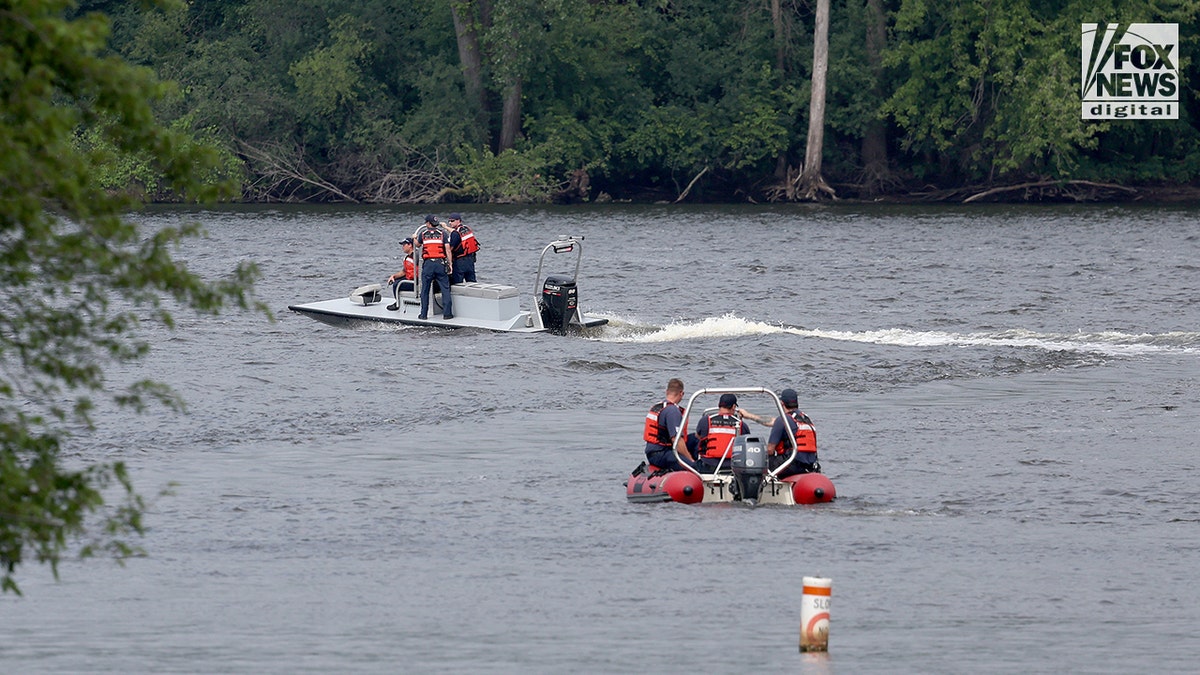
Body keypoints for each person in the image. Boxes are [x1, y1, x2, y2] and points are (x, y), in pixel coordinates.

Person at [741, 388, 819, 477]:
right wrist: (748, 415)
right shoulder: (805, 419)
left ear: (781, 403)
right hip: (810, 465)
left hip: (792, 465)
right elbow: (771, 421)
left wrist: (754, 452)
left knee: (758, 460)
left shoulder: (782, 420)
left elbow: (770, 450)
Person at [643, 378, 697, 472]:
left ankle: (700, 461)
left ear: (667, 391)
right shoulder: (673, 411)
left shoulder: (658, 406)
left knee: (696, 438)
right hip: (661, 453)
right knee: (694, 467)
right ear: (681, 394)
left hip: (654, 450)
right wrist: (690, 459)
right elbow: (676, 440)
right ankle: (699, 466)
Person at [694, 393, 750, 472]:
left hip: (709, 465)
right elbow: (746, 443)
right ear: (734, 407)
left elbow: (698, 436)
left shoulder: (706, 420)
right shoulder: (741, 424)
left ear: (719, 405)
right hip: (732, 466)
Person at [415, 214, 454, 320]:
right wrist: (450, 264)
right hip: (440, 263)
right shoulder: (443, 234)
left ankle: (423, 315)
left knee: (425, 290)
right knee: (445, 289)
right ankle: (447, 314)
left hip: (428, 264)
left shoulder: (423, 234)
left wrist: (414, 237)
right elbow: (448, 250)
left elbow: (417, 245)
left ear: (428, 223)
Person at [447, 212, 479, 283]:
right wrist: (445, 227)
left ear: (458, 221)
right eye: (449, 221)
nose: (450, 223)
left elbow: (450, 249)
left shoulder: (455, 234)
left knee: (457, 283)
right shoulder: (467, 228)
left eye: (452, 221)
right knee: (472, 282)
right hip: (470, 259)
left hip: (459, 261)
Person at [385, 237, 416, 311]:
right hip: (409, 278)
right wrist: (394, 276)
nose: (402, 247)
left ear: (410, 245)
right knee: (396, 281)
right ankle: (398, 301)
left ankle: (398, 304)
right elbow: (404, 271)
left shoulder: (416, 256)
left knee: (397, 284)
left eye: (404, 245)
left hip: (415, 282)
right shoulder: (407, 257)